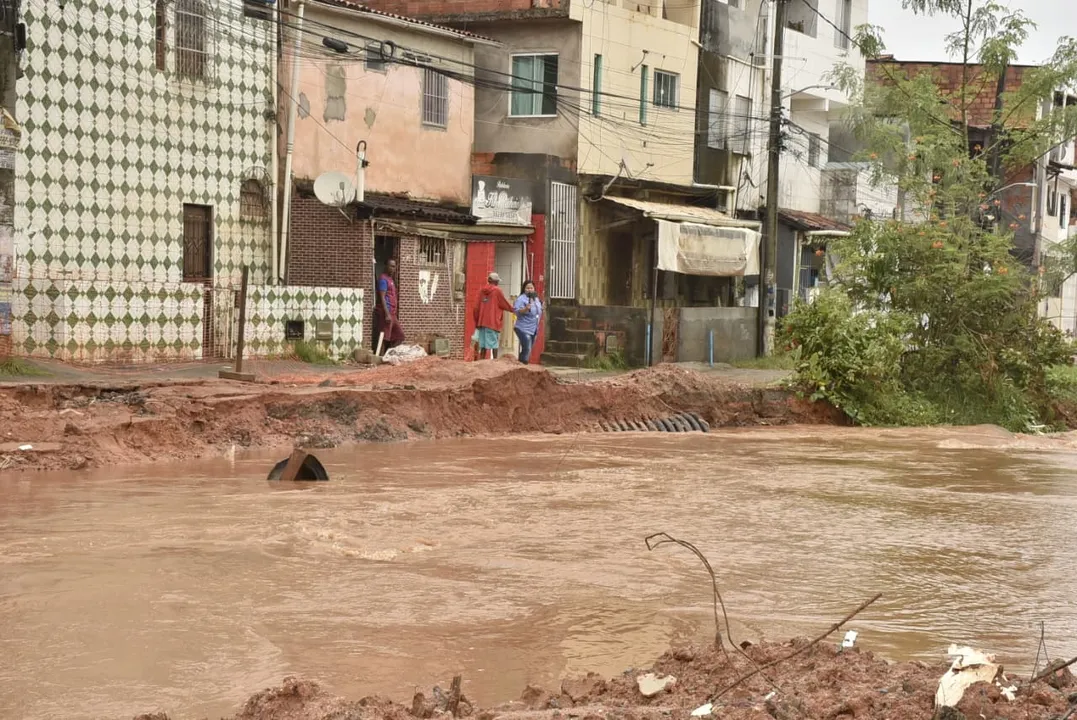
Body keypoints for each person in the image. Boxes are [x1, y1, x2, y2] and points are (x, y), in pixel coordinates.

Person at [473, 271, 515, 359]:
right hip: (492, 322)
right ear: (496, 281)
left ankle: (482, 363)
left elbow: (476, 307)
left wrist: (477, 321)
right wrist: (515, 310)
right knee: (494, 345)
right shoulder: (497, 290)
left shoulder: (482, 290)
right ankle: (496, 362)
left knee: (483, 345)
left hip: (481, 322)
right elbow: (504, 303)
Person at [372, 258, 405, 354]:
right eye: (391, 266)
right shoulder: (383, 279)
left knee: (400, 336)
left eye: (394, 266)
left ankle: (387, 353)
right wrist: (387, 314)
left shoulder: (391, 280)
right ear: (386, 266)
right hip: (386, 312)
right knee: (384, 337)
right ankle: (379, 356)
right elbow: (382, 297)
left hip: (393, 314)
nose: (393, 268)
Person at [513, 280, 543, 364]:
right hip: (523, 328)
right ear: (524, 289)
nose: (530, 290)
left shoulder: (536, 298)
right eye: (527, 288)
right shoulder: (521, 299)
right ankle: (522, 365)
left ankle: (520, 364)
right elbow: (517, 311)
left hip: (533, 328)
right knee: (527, 348)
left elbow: (538, 311)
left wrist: (542, 308)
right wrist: (526, 309)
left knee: (528, 349)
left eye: (531, 288)